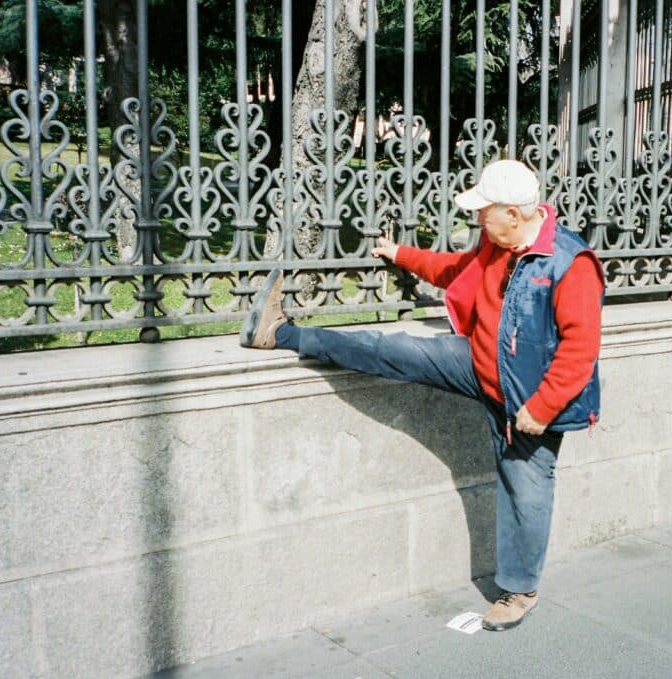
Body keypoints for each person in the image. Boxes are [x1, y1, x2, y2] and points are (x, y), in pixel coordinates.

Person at [240, 159, 604, 631]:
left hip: (529, 405)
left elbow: (580, 350)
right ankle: (284, 334)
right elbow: (454, 270)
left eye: (484, 211)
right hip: (478, 365)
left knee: (525, 493)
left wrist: (541, 407)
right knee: (392, 351)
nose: (477, 219)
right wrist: (400, 253)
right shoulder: (497, 245)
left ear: (513, 214)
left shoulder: (570, 264)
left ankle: (519, 591)